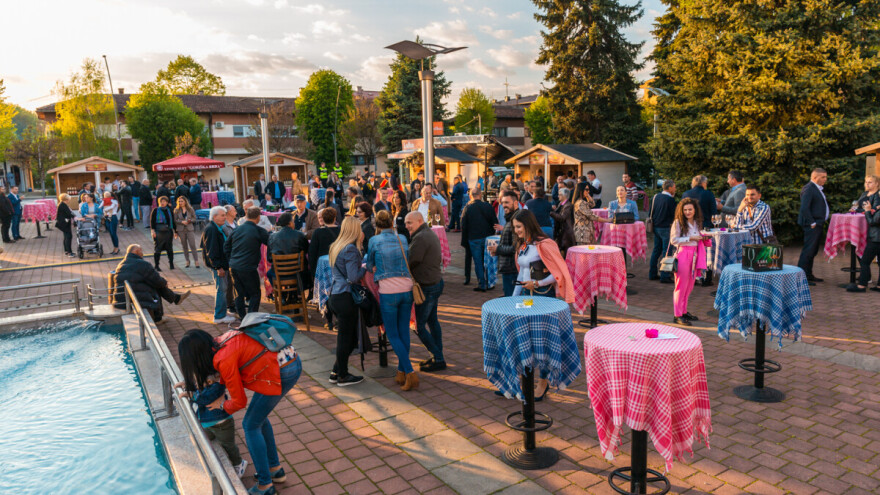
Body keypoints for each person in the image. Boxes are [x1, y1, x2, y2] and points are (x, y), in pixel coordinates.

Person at [177, 328, 301, 495]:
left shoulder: (223, 359)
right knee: (259, 418)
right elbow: (217, 376)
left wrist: (221, 405)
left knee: (250, 425)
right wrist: (192, 384)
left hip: (282, 369)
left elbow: (239, 402)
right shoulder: (220, 342)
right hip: (286, 360)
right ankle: (274, 470)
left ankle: (265, 485)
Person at [509, 209, 575, 400]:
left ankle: (543, 382)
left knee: (542, 341)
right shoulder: (523, 245)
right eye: (514, 228)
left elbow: (558, 274)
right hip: (525, 298)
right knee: (524, 339)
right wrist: (512, 300)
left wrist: (537, 283)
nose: (517, 231)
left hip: (544, 298)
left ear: (528, 225)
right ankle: (524, 381)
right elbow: (521, 275)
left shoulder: (545, 244)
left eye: (519, 227)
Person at [175, 331, 247, 477]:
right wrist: (189, 385)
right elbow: (198, 385)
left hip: (221, 422)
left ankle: (239, 463)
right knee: (206, 437)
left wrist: (191, 394)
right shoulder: (202, 372)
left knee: (228, 445)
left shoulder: (217, 377)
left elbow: (205, 397)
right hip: (207, 421)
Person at [366, 210, 418, 391]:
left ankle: (410, 371)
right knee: (403, 331)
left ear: (377, 225)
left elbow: (370, 263)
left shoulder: (374, 241)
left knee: (392, 333)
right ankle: (402, 371)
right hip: (407, 288)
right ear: (391, 223)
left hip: (388, 291)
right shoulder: (402, 238)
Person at [326, 217, 367, 387]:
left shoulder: (336, 246)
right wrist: (364, 267)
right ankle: (342, 375)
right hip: (345, 296)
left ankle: (337, 371)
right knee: (346, 339)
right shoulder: (350, 249)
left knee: (347, 338)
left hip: (335, 294)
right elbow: (353, 277)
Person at [404, 212, 446, 372]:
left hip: (428, 286)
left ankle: (438, 357)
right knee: (432, 321)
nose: (407, 226)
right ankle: (438, 355)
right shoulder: (426, 233)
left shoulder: (421, 237)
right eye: (406, 223)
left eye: (410, 223)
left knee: (419, 326)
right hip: (435, 282)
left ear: (419, 221)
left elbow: (410, 261)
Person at [110, 244, 190, 322]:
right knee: (157, 286)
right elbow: (157, 280)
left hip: (120, 302)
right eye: (141, 251)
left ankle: (176, 299)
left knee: (154, 283)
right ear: (137, 251)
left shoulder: (121, 264)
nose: (143, 253)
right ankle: (159, 317)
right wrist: (164, 282)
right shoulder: (142, 264)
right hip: (134, 301)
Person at [670, 198, 710, 326]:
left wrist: (703, 237)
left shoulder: (697, 222)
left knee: (689, 286)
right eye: (685, 210)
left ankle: (684, 311)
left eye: (690, 209)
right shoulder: (678, 222)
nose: (687, 212)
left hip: (695, 254)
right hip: (683, 254)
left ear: (695, 210)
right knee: (681, 286)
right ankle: (677, 315)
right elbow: (673, 240)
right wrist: (691, 238)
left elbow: (698, 238)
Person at [225, 207, 270, 318]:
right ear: (258, 217)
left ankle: (242, 317)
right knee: (255, 293)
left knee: (239, 293)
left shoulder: (236, 229)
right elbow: (271, 242)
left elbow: (226, 246)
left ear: (247, 216)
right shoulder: (258, 230)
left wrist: (231, 260)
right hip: (248, 267)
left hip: (234, 266)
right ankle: (250, 318)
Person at [267, 212, 311, 309]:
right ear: (290, 223)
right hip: (298, 274)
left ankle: (282, 295)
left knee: (269, 273)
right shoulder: (300, 235)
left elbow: (269, 258)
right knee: (304, 268)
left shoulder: (272, 236)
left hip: (280, 274)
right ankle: (293, 296)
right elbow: (306, 250)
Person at [200, 206, 236, 324]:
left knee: (223, 288)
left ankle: (222, 313)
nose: (225, 217)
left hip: (221, 264)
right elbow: (212, 251)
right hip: (218, 265)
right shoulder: (212, 229)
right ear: (214, 216)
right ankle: (219, 316)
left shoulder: (216, 228)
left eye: (225, 215)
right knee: (221, 289)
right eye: (222, 215)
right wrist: (218, 267)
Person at [309, 208, 341, 330]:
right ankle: (338, 319)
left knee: (325, 293)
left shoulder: (318, 232)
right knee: (337, 292)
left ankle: (329, 321)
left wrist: (313, 271)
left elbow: (312, 252)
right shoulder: (340, 230)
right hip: (338, 266)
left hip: (323, 268)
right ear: (334, 218)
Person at [847, 176, 880, 292]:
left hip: (875, 236)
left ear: (877, 184)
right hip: (873, 234)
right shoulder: (864, 194)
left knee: (865, 261)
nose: (867, 184)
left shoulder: (877, 198)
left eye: (870, 182)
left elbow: (873, 220)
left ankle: (862, 285)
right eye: (866, 182)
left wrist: (866, 211)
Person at [797, 168, 830, 285]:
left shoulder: (816, 188)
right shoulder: (809, 188)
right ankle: (801, 278)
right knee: (808, 250)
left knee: (813, 250)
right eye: (823, 177)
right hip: (812, 225)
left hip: (817, 223)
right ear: (815, 177)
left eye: (825, 177)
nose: (825, 180)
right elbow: (804, 208)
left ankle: (809, 275)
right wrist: (812, 223)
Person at [461, 188, 497, 292]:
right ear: (480, 195)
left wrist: (464, 240)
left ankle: (482, 284)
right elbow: (494, 221)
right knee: (487, 261)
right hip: (487, 237)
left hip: (474, 238)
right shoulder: (488, 206)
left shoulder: (468, 208)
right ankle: (489, 282)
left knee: (478, 262)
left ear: (471, 196)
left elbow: (463, 225)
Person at [488, 191, 523, 296]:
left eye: (507, 202)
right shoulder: (511, 219)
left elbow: (515, 248)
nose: (504, 205)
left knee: (512, 300)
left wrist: (497, 249)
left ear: (516, 203)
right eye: (502, 202)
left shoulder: (516, 220)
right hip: (509, 268)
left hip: (512, 269)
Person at [648, 180, 677, 283]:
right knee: (667, 252)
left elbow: (650, 211)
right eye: (674, 187)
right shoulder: (670, 200)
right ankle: (664, 275)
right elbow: (674, 215)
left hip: (656, 227)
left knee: (656, 250)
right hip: (666, 228)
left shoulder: (655, 197)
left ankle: (652, 273)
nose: (675, 189)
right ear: (669, 188)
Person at [149, 196, 175, 270]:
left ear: (167, 202)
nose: (162, 203)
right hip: (159, 232)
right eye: (161, 202)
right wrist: (153, 231)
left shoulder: (169, 210)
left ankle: (171, 264)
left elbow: (172, 221)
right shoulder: (155, 210)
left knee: (170, 248)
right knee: (158, 249)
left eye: (164, 201)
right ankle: (157, 265)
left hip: (168, 232)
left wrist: (175, 231)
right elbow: (152, 222)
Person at [174, 196, 199, 268]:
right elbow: (175, 220)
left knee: (192, 245)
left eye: (182, 201)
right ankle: (187, 261)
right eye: (179, 201)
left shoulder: (190, 209)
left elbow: (194, 218)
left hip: (189, 229)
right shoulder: (176, 210)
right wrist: (182, 221)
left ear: (185, 201)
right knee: (184, 246)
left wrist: (189, 220)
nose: (180, 203)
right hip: (181, 230)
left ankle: (196, 261)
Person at [550, 187, 575, 255]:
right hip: (562, 231)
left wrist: (551, 213)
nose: (558, 196)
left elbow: (562, 218)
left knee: (566, 253)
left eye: (560, 194)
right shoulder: (561, 204)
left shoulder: (568, 205)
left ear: (565, 196)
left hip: (566, 232)